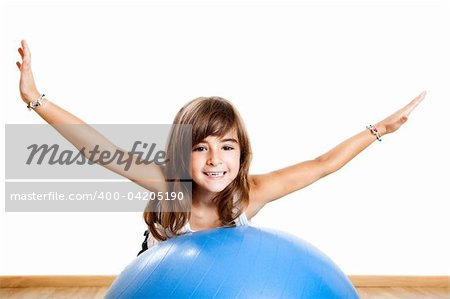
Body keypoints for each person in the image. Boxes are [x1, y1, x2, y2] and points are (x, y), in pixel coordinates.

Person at [16, 40, 426, 255]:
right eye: (200, 148)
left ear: (241, 154)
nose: (216, 160)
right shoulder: (167, 185)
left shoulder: (251, 194)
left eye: (227, 147)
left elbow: (321, 165)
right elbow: (98, 149)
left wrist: (380, 129)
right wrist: (36, 100)